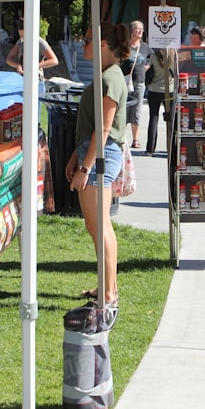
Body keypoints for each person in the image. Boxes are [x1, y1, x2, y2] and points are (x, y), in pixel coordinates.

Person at [65, 22, 130, 310]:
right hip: (94, 155)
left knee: (100, 225)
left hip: (101, 158)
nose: (83, 45)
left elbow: (104, 129)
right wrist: (76, 157)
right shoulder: (107, 76)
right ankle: (106, 287)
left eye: (88, 40)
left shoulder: (111, 78)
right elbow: (94, 127)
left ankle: (109, 293)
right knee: (98, 226)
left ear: (104, 44)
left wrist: (85, 168)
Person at [5, 17, 59, 96]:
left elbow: (54, 60)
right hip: (22, 81)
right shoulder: (20, 42)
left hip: (37, 82)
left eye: (24, 35)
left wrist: (35, 66)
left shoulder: (39, 42)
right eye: (20, 35)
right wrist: (18, 65)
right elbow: (9, 59)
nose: (22, 38)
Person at [121, 20, 150, 148]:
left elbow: (152, 60)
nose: (140, 31)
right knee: (124, 109)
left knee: (137, 111)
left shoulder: (145, 47)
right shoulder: (124, 45)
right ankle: (122, 138)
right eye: (137, 29)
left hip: (139, 82)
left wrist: (146, 68)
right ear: (131, 30)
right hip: (125, 81)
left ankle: (135, 139)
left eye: (141, 29)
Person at [144, 47, 175, 156]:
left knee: (153, 118)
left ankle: (150, 149)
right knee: (170, 120)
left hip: (154, 90)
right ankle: (171, 148)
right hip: (169, 91)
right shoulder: (173, 57)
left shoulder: (153, 56)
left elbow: (150, 71)